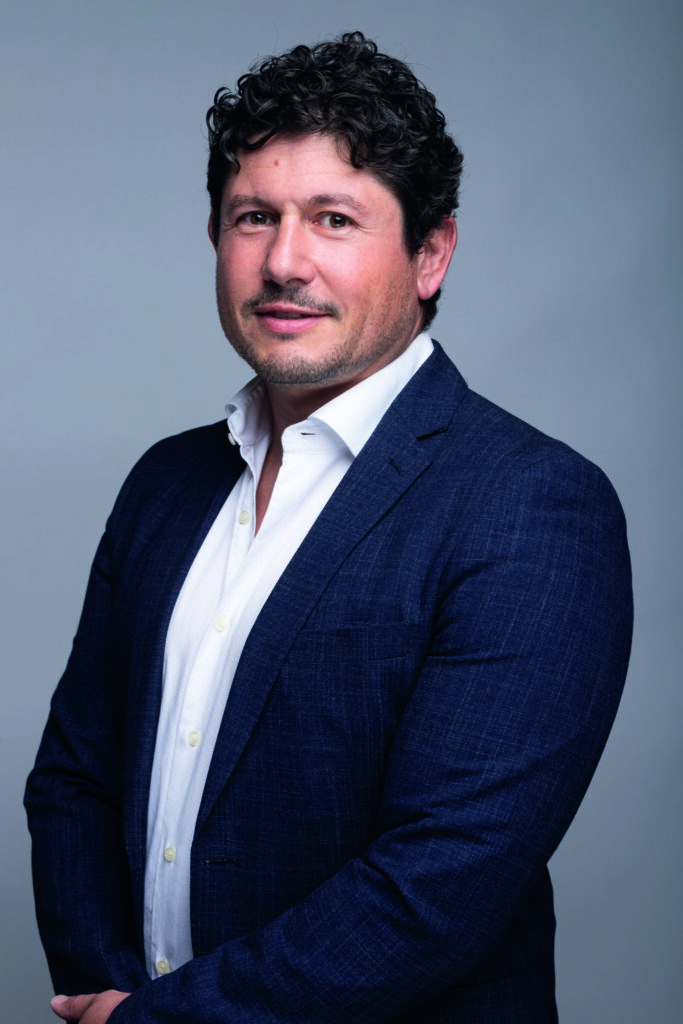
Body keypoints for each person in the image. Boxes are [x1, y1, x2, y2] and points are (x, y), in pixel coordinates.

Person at [25, 31, 633, 1024]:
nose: (282, 261)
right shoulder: (166, 483)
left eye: (334, 219)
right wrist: (108, 993)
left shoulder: (531, 504)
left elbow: (438, 883)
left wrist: (157, 1022)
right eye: (253, 217)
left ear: (429, 253)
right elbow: (73, 779)